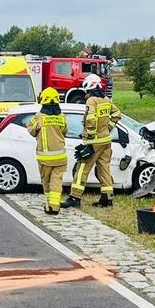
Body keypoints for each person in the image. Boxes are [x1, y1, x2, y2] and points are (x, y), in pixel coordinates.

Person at [61, 73, 121, 208]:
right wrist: (107, 128)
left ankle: (75, 197)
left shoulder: (91, 100)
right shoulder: (106, 99)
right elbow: (117, 114)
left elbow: (91, 119)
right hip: (106, 141)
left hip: (94, 142)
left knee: (82, 168)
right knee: (104, 169)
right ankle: (107, 197)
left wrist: (90, 137)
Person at [26, 88, 67, 214]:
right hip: (60, 156)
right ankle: (54, 206)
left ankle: (49, 204)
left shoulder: (39, 117)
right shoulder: (61, 117)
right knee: (56, 181)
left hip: (45, 158)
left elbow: (31, 130)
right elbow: (64, 131)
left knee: (47, 182)